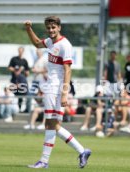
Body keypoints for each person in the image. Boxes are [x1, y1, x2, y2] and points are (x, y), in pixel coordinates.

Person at [25, 16, 91, 169]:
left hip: (57, 88)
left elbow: (68, 70)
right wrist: (28, 29)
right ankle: (81, 151)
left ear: (59, 28)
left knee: (51, 124)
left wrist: (65, 93)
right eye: (48, 28)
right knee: (52, 124)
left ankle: (46, 160)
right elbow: (36, 43)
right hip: (51, 87)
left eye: (53, 27)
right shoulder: (49, 42)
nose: (51, 30)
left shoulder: (65, 45)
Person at [8, 47, 30, 112]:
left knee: (21, 95)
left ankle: (19, 109)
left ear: (23, 52)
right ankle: (13, 109)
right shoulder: (14, 59)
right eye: (19, 51)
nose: (20, 52)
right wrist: (16, 70)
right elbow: (9, 68)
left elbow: (27, 71)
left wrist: (25, 72)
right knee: (13, 94)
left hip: (21, 81)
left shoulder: (24, 61)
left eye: (21, 51)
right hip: (14, 80)